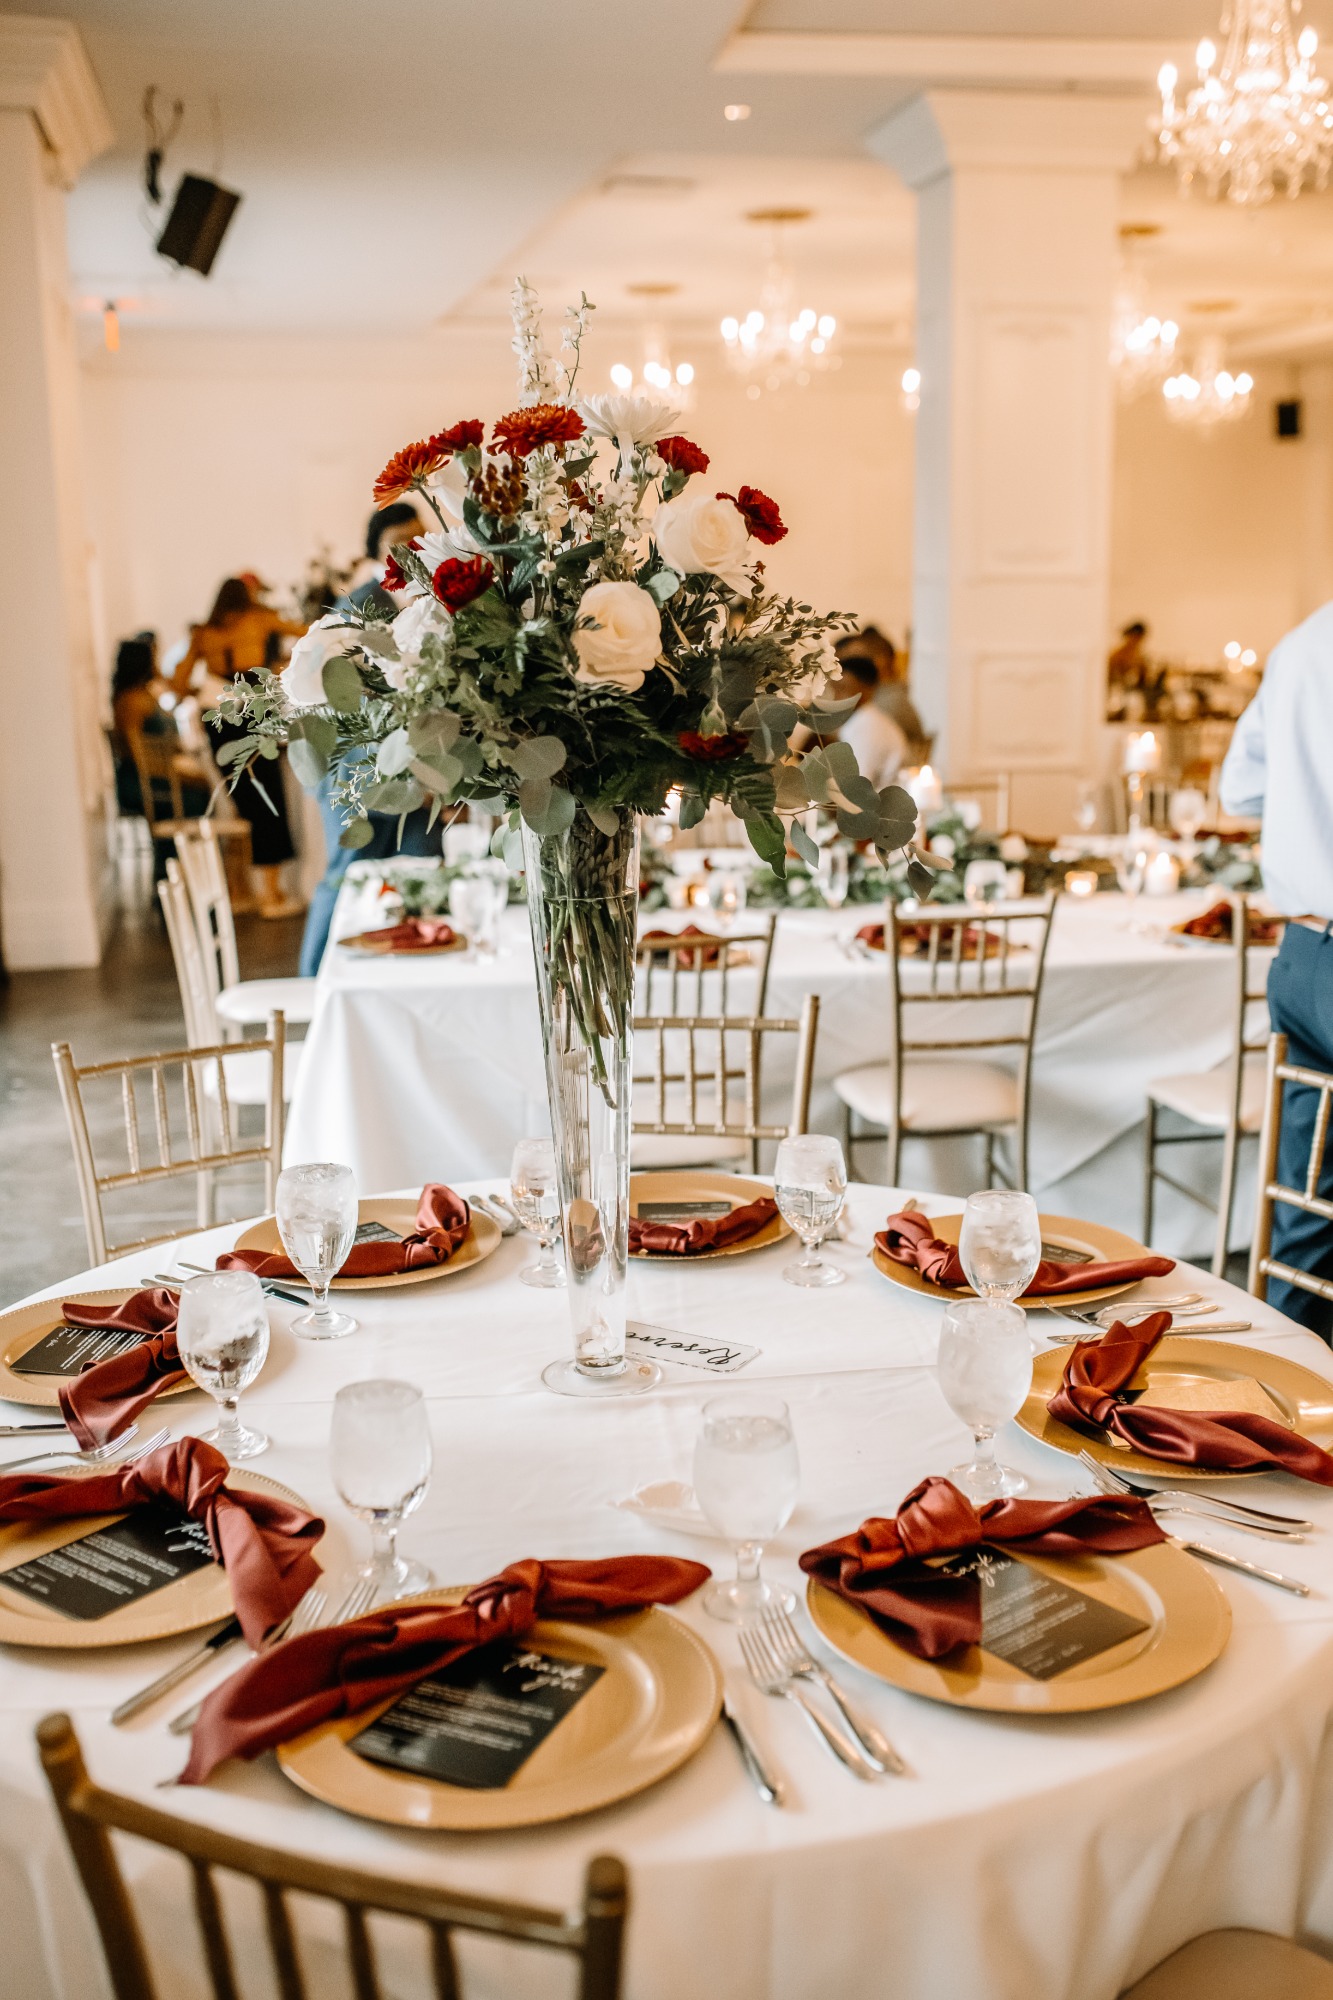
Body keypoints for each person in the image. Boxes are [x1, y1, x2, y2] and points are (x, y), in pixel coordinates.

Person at [1220, 601, 1333, 1339]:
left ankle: (1289, 1391)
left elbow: (1240, 792)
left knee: (1306, 1203)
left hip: (1301, 958)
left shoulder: (1304, 640)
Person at [298, 503, 446, 975]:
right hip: (355, 777)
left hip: (411, 781)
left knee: (422, 883)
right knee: (346, 881)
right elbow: (355, 706)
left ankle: (409, 981)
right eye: (399, 544)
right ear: (376, 553)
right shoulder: (361, 607)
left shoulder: (430, 600)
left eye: (421, 538)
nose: (413, 551)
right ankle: (314, 987)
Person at [178, 578, 308, 918]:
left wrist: (207, 688)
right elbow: (308, 630)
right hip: (252, 708)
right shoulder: (260, 618)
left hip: (220, 720)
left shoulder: (203, 632)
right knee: (269, 797)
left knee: (244, 801)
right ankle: (271, 894)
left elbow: (177, 685)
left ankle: (242, 891)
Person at [108, 634, 211, 878]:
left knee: (203, 790)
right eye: (153, 657)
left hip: (156, 774)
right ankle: (175, 873)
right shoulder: (132, 701)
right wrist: (187, 776)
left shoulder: (146, 694)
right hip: (141, 781)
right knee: (200, 798)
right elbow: (140, 756)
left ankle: (183, 873)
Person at [836, 626, 926, 755]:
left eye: (858, 661)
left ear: (880, 661)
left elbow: (866, 745)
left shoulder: (889, 702)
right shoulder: (882, 696)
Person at [834, 654, 908, 790]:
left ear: (867, 689)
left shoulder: (868, 726)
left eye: (843, 689)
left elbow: (857, 784)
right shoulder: (866, 719)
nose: (835, 697)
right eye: (835, 689)